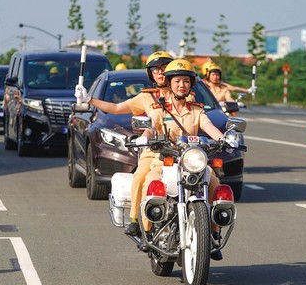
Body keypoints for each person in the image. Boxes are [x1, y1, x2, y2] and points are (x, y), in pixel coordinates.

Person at [138, 59, 232, 260]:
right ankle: (146, 234)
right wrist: (144, 137)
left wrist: (224, 139)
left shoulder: (197, 110)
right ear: (170, 83)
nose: (182, 85)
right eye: (178, 81)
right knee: (150, 184)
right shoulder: (160, 108)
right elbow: (152, 126)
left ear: (191, 84)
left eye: (186, 81)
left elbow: (209, 128)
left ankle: (214, 236)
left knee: (215, 185)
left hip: (193, 162)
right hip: (165, 161)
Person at [76, 51, 177, 238]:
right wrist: (88, 99)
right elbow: (115, 109)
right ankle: (135, 221)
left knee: (208, 180)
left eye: (165, 68)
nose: (161, 72)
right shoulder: (146, 97)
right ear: (151, 74)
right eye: (156, 69)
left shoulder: (184, 95)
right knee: (140, 177)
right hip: (156, 150)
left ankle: (210, 230)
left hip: (182, 151)